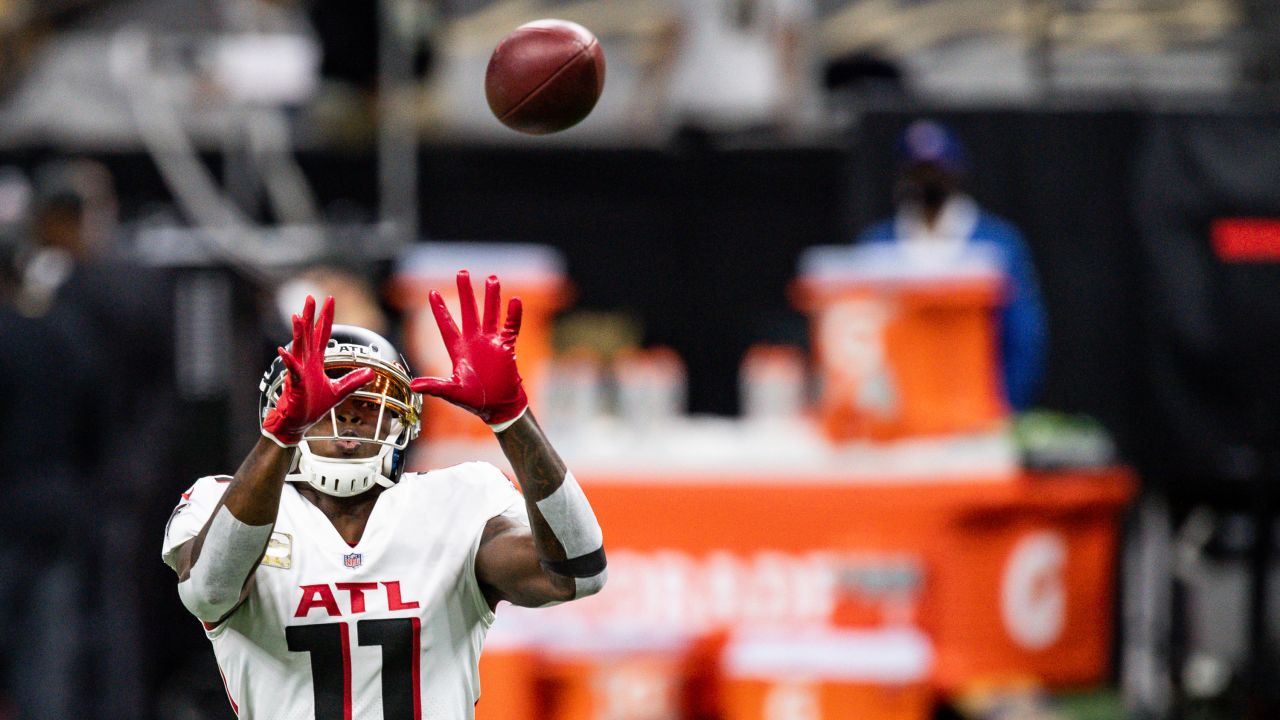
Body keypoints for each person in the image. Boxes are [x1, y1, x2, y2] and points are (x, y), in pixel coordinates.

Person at [161, 270, 607, 719]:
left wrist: (513, 419)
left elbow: (579, 572)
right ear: (279, 410)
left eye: (369, 402)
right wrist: (281, 439)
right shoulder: (217, 502)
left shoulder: (459, 498)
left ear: (401, 419)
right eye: (326, 401)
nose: (349, 416)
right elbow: (209, 591)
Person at [855, 120, 1048, 411]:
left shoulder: (998, 244)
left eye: (937, 172)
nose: (928, 182)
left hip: (975, 409)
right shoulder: (877, 245)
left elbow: (1024, 338)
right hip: (897, 414)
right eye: (918, 172)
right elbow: (861, 340)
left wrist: (1001, 409)